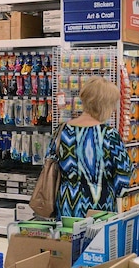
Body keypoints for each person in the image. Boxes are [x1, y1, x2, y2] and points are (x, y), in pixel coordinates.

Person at [50, 77, 133, 218]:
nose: (114, 109)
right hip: (100, 205)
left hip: (67, 204)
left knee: (67, 239)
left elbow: (50, 163)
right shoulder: (109, 135)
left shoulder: (62, 131)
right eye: (113, 104)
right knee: (97, 240)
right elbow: (123, 174)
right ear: (104, 105)